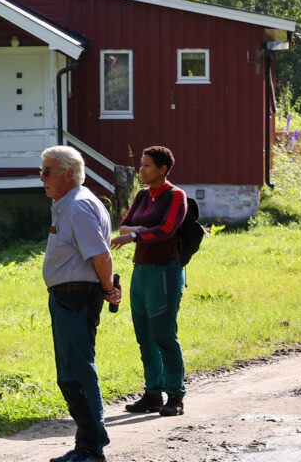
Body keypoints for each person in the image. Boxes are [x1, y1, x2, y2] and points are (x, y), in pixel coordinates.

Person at [40, 145, 119, 462]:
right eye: (41, 171)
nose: (41, 178)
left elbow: (101, 255)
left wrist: (108, 288)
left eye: (47, 172)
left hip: (76, 296)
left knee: (78, 372)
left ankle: (92, 447)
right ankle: (85, 444)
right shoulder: (70, 204)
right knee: (69, 373)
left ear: (67, 174)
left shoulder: (78, 207)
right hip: (67, 296)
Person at [110, 146, 187, 417]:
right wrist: (139, 231)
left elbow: (166, 230)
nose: (140, 170)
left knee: (164, 335)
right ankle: (153, 393)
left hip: (164, 272)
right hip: (140, 272)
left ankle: (175, 395)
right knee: (144, 336)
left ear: (163, 169)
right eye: (141, 165)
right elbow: (123, 225)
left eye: (147, 166)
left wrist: (134, 235)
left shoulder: (176, 195)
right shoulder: (143, 195)